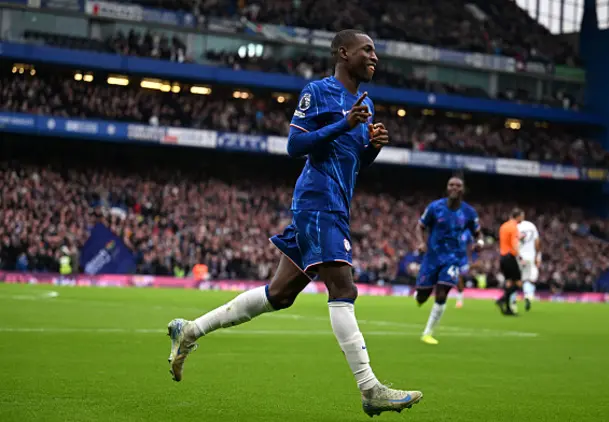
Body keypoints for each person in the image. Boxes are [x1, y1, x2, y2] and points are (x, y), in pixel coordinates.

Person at [165, 29, 422, 417]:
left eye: (375, 51)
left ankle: (190, 330)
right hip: (318, 203)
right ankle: (370, 389)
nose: (374, 57)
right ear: (343, 52)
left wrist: (370, 148)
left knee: (279, 294)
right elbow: (295, 145)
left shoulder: (361, 103)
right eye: (367, 50)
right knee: (343, 287)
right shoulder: (318, 92)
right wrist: (344, 124)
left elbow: (347, 163)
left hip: (333, 203)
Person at [414, 176, 483, 344]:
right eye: (451, 185)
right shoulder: (435, 207)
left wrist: (479, 242)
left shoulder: (469, 212)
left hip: (453, 258)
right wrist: (421, 242)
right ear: (447, 188)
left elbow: (477, 233)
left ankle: (428, 333)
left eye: (458, 186)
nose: (454, 188)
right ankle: (421, 292)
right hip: (432, 257)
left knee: (443, 291)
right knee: (421, 297)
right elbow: (420, 226)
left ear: (462, 190)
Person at [496, 208, 524, 315]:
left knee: (508, 283)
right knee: (518, 283)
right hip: (510, 257)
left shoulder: (503, 226)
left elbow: (505, 240)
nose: (523, 218)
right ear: (518, 216)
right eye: (522, 216)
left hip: (502, 257)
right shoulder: (514, 227)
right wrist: (519, 257)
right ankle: (502, 299)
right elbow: (514, 244)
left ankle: (507, 309)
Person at [516, 218, 540, 311]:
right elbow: (537, 242)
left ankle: (512, 299)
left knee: (517, 278)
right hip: (530, 256)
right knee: (530, 279)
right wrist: (538, 256)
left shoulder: (515, 226)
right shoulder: (532, 226)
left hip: (519, 256)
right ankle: (528, 295)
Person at [455, 229, 474, 308]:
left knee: (460, 279)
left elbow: (470, 245)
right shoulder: (451, 228)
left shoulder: (467, 232)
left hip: (462, 259)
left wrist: (470, 258)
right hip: (451, 257)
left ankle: (459, 300)